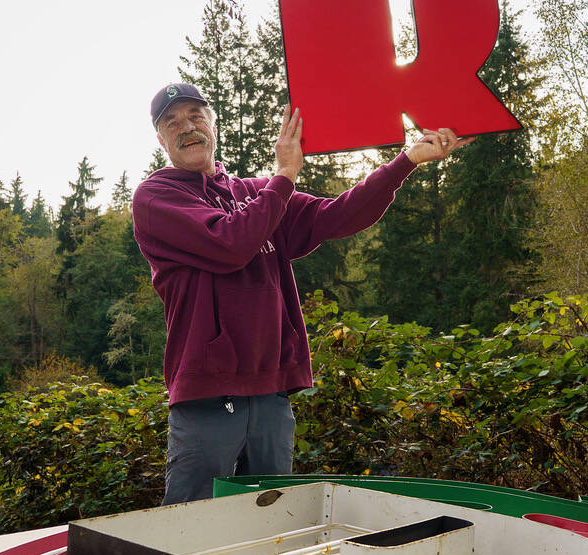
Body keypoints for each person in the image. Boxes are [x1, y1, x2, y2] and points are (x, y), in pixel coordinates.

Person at [133, 81, 465, 504]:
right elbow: (231, 243)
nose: (187, 128)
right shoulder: (156, 197)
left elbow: (340, 215)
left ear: (213, 125)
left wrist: (406, 161)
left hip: (272, 393)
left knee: (268, 522)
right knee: (189, 525)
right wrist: (285, 175)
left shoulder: (256, 194)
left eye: (196, 116)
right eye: (172, 122)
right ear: (161, 139)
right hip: (208, 394)